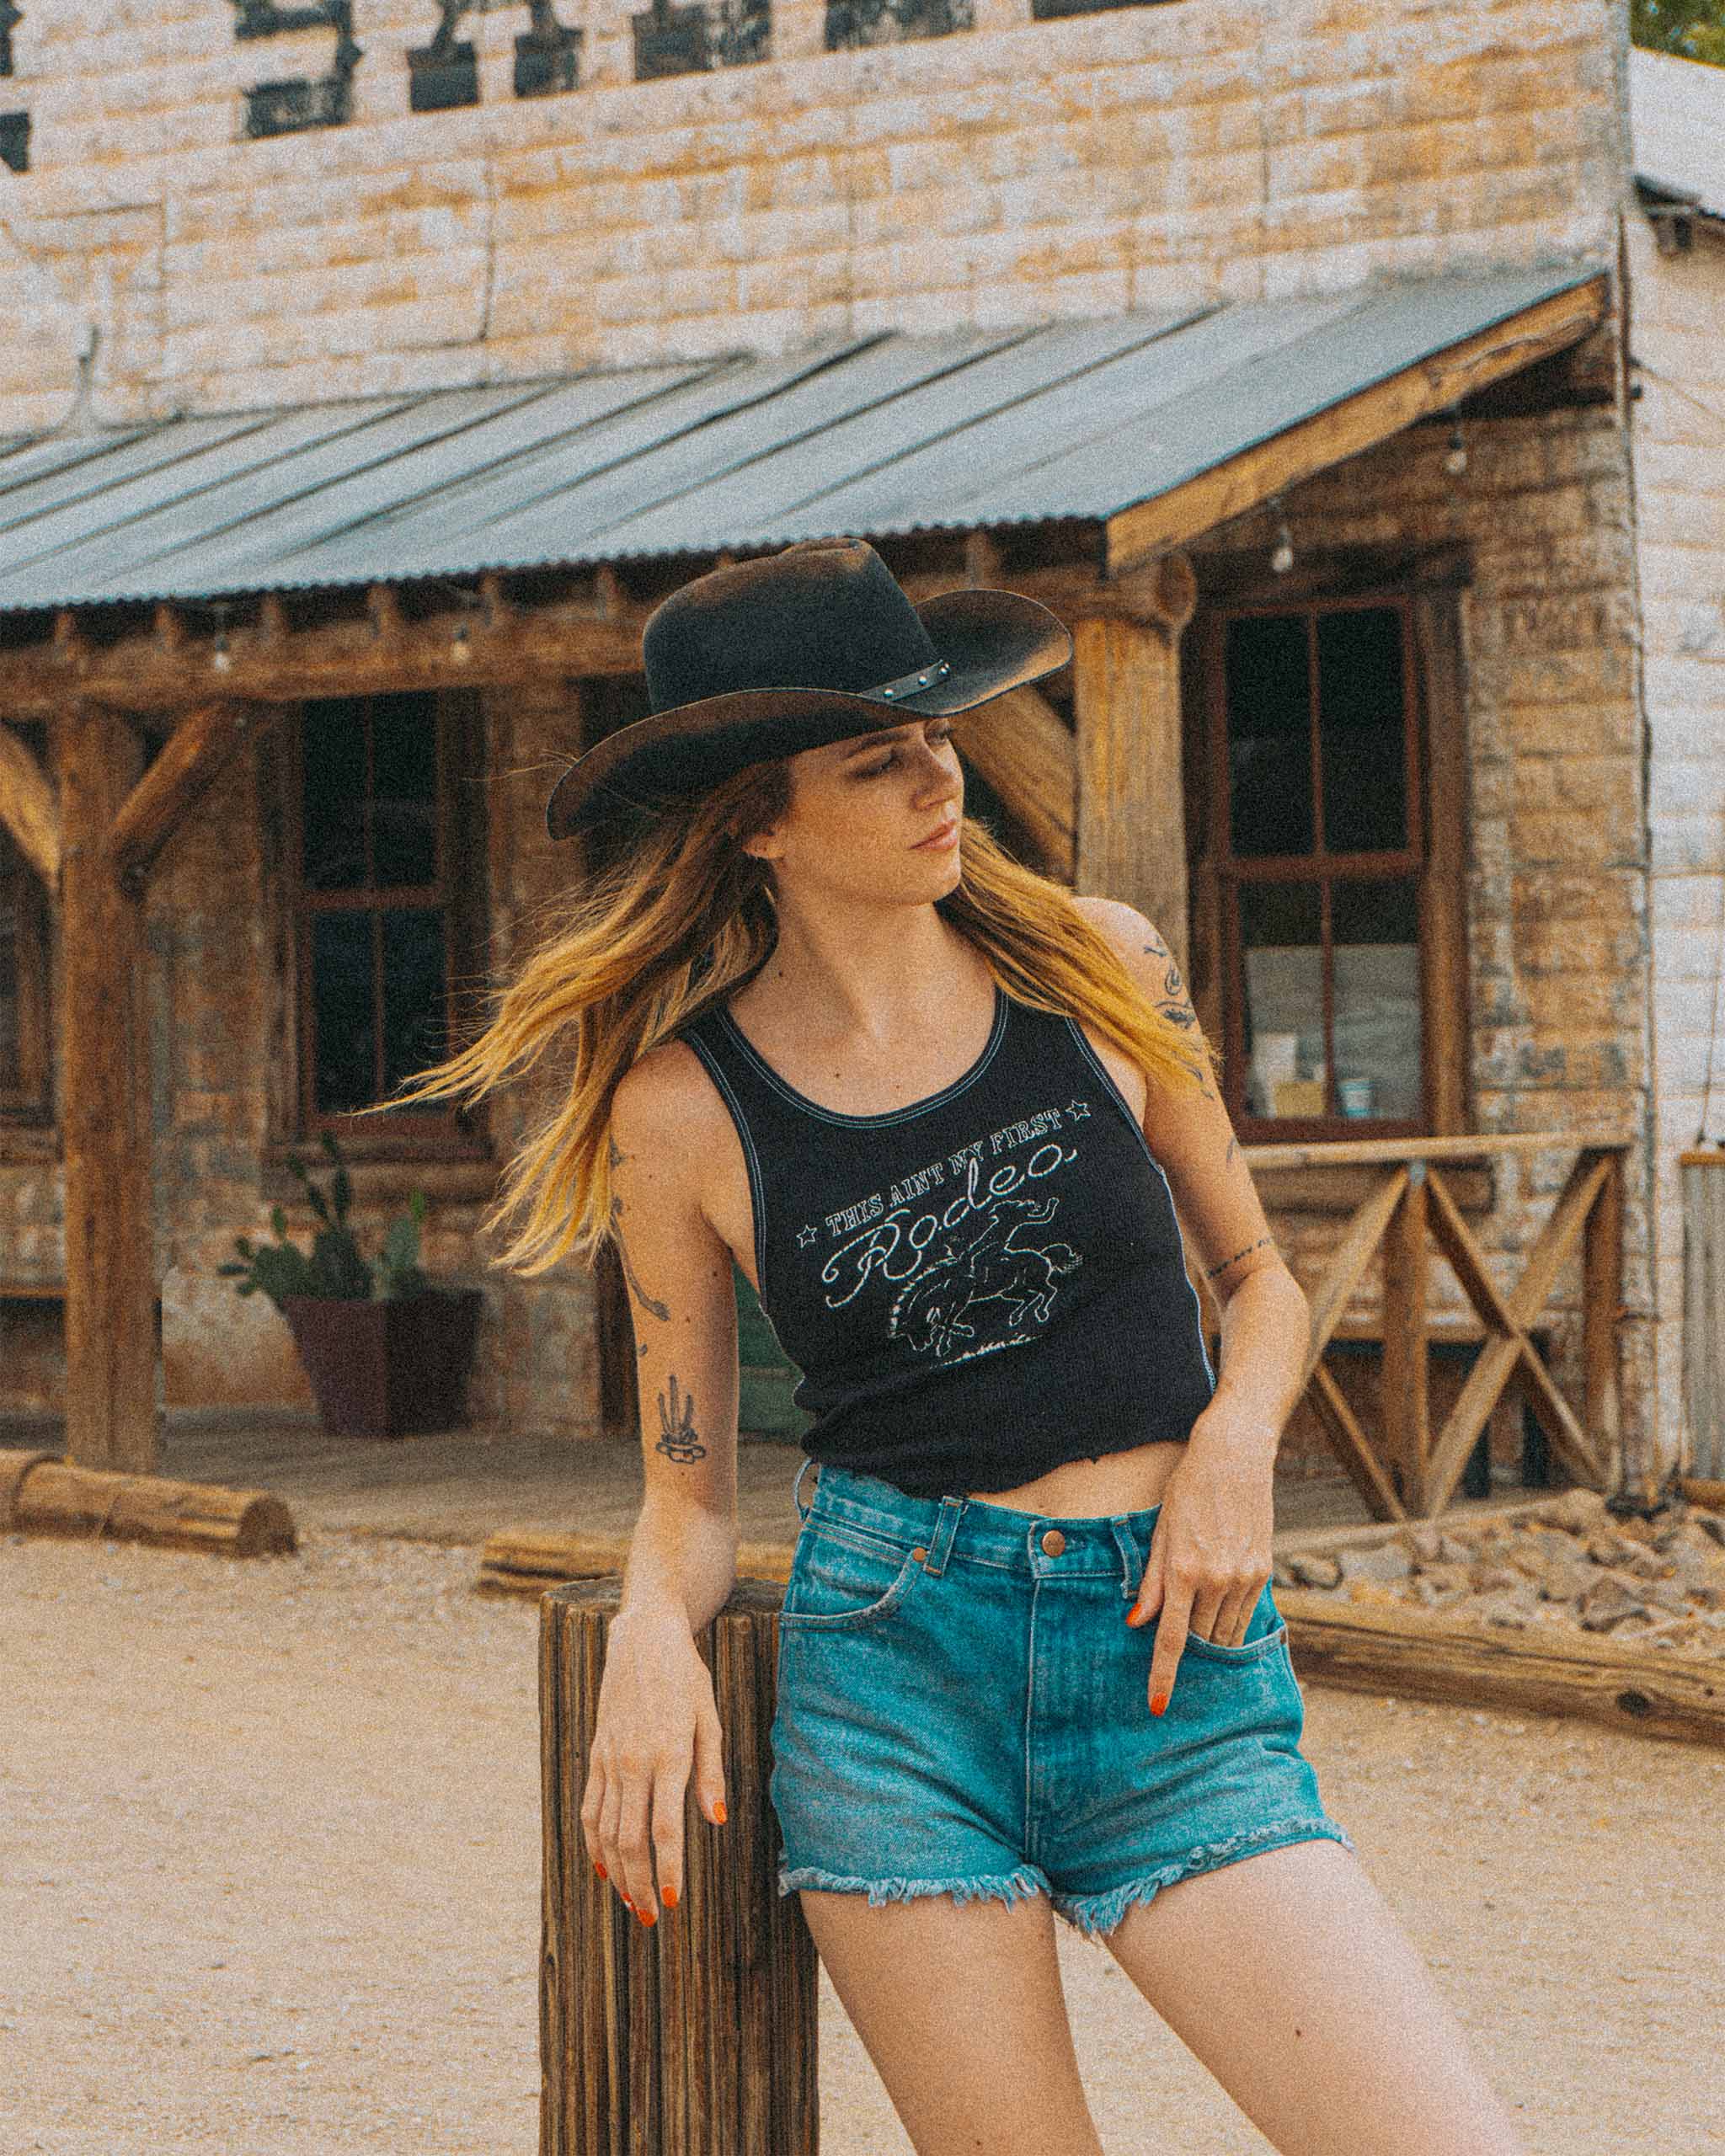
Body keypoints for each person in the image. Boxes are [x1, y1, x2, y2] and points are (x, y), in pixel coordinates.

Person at [380, 537, 1530, 2156]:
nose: (943, 781)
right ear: (760, 823)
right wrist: (647, 1634)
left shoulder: (1100, 965)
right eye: (881, 761)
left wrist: (1234, 1447)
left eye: (940, 738)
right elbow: (688, 1494)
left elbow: (1259, 1278)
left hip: (1171, 1663)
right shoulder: (681, 1111)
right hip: (896, 1683)